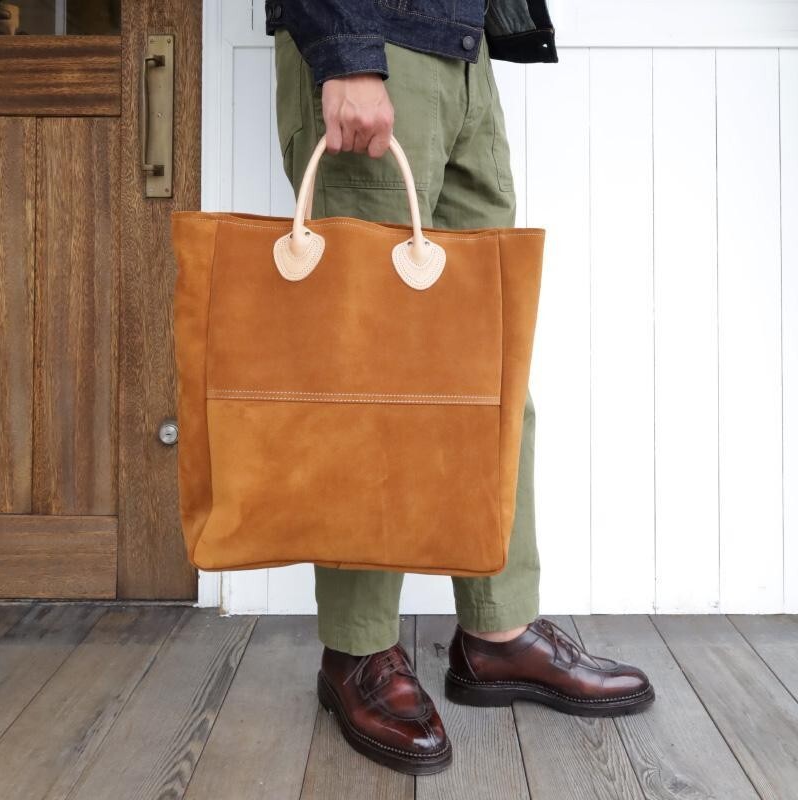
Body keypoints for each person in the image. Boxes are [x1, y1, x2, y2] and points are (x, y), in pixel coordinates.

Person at [265, 0, 655, 776]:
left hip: (463, 49)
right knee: (370, 381)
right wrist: (346, 52)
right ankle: (357, 651)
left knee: (491, 370)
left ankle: (498, 632)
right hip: (374, 46)